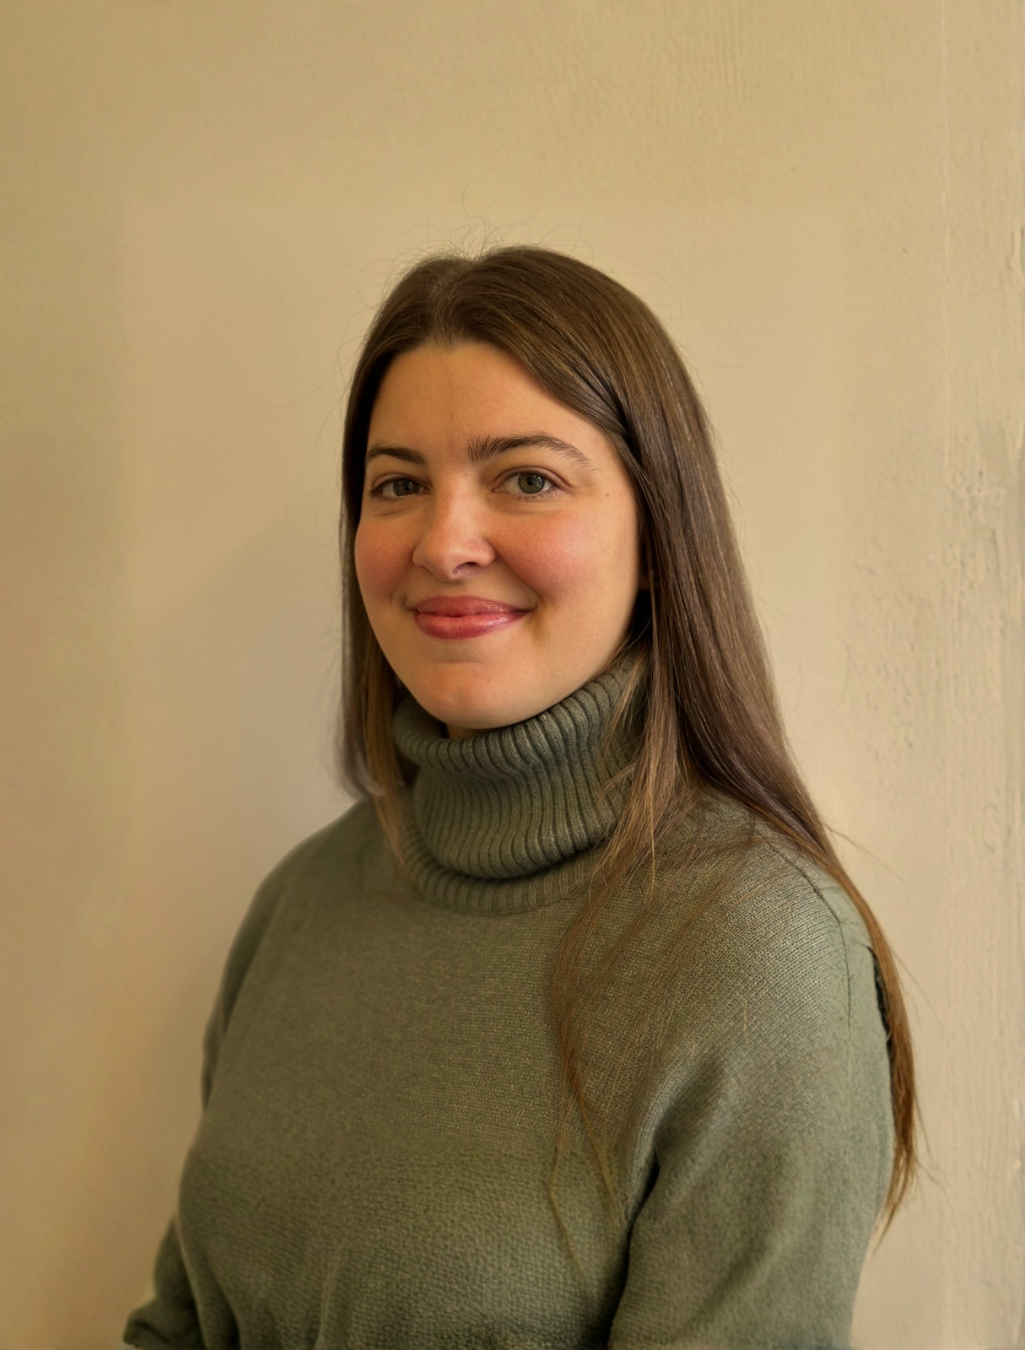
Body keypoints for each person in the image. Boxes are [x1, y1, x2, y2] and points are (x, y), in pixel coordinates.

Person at [123, 246, 916, 1349]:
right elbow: (180, 1325)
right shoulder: (300, 906)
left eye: (527, 478)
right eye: (398, 484)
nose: (445, 544)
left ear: (657, 537)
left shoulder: (763, 958)